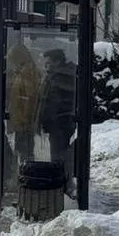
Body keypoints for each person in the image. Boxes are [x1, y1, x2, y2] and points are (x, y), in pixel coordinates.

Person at [39, 48, 77, 176]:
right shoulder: (58, 76)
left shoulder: (61, 78)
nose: (46, 66)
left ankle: (59, 182)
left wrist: (47, 119)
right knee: (59, 154)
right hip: (60, 122)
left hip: (60, 123)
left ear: (57, 62)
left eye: (49, 62)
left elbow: (53, 103)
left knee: (58, 155)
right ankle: (61, 180)